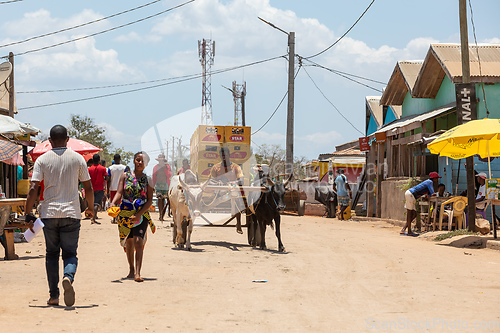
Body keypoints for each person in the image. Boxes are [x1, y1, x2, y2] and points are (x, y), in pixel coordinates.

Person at [24, 125, 94, 307]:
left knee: (52, 255)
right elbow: (88, 187)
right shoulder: (78, 159)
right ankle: (68, 277)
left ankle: (54, 296)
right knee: (70, 254)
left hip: (49, 214)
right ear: (68, 139)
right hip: (72, 214)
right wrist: (90, 208)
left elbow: (33, 188)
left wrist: (28, 213)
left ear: (49, 141)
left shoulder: (42, 160)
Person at [111, 151, 155, 282]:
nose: (140, 162)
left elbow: (149, 200)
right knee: (129, 242)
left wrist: (138, 215)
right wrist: (113, 202)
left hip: (141, 214)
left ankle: (137, 272)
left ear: (146, 164)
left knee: (138, 241)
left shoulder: (149, 180)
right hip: (125, 213)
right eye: (138, 160)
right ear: (134, 161)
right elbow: (120, 192)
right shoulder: (125, 176)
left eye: (143, 161)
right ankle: (130, 269)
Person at [210, 147, 245, 234]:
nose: (224, 157)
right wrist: (219, 182)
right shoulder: (215, 168)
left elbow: (241, 180)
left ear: (229, 155)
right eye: (222, 155)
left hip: (232, 191)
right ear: (220, 156)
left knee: (236, 198)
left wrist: (233, 183)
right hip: (219, 193)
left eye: (225, 154)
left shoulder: (236, 167)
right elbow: (211, 180)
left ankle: (239, 223)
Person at [402, 171, 441, 236]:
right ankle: (409, 231)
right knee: (409, 213)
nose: (437, 180)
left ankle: (404, 229)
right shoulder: (430, 182)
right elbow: (432, 194)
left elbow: (429, 195)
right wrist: (438, 194)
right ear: (434, 178)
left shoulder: (428, 183)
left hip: (412, 196)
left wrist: (427, 197)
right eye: (437, 178)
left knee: (414, 214)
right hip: (411, 194)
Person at [88, 154, 109, 224]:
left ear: (93, 160)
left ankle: (94, 216)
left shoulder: (89, 169)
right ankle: (93, 219)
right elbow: (106, 177)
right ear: (99, 160)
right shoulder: (103, 168)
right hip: (100, 188)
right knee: (96, 204)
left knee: (93, 203)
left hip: (91, 189)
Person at [107, 154, 126, 223]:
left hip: (113, 187)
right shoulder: (124, 168)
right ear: (120, 159)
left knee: (113, 203)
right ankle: (119, 218)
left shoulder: (110, 168)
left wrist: (108, 190)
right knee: (120, 203)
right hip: (122, 188)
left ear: (113, 159)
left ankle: (114, 218)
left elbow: (108, 180)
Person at [152, 154, 171, 222]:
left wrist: (164, 168)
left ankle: (162, 214)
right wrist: (152, 186)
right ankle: (160, 214)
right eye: (159, 160)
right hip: (158, 185)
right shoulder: (155, 167)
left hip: (165, 185)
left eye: (162, 160)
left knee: (163, 200)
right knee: (160, 199)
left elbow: (169, 175)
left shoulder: (167, 167)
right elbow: (154, 177)